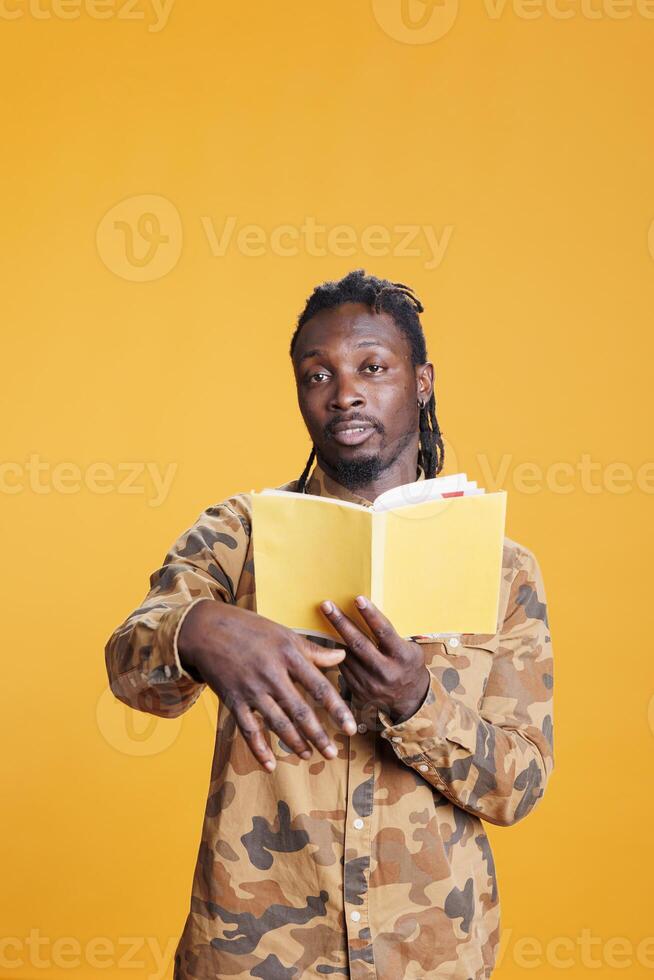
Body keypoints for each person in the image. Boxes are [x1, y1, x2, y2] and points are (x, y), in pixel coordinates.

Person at [104, 269, 554, 979]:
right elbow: (134, 676)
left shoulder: (503, 568)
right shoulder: (239, 534)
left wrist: (417, 701)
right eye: (318, 374)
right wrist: (195, 629)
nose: (344, 392)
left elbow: (519, 785)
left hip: (432, 955)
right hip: (252, 955)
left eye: (372, 367)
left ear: (422, 381)